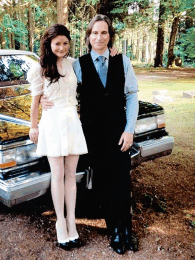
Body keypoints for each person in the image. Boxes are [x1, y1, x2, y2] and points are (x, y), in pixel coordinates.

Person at [41, 14, 139, 255]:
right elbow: (57, 81)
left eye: (104, 33)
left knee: (122, 179)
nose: (99, 37)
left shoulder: (122, 61)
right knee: (104, 181)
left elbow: (132, 95)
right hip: (92, 133)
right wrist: (44, 98)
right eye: (94, 33)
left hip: (119, 132)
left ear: (110, 36)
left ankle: (126, 228)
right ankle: (114, 230)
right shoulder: (78, 64)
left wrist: (129, 129)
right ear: (88, 37)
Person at [27, 24, 88, 250]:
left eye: (65, 43)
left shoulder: (74, 65)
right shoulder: (39, 69)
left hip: (72, 120)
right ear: (48, 44)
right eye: (57, 44)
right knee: (58, 174)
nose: (61, 47)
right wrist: (34, 126)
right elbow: (36, 101)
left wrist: (111, 51)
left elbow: (94, 65)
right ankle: (60, 224)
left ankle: (72, 222)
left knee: (71, 175)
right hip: (52, 122)